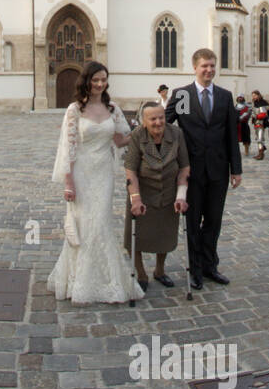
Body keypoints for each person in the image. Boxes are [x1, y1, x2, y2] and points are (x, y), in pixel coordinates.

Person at [50, 61, 137, 304]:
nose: (100, 84)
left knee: (101, 223)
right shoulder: (74, 109)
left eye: (103, 79)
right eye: (95, 79)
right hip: (81, 172)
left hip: (104, 173)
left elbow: (120, 140)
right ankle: (79, 280)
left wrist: (143, 132)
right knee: (84, 226)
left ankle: (106, 280)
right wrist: (68, 182)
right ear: (86, 81)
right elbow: (69, 147)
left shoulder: (113, 108)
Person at [170, 49, 242, 286]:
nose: (209, 70)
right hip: (191, 172)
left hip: (218, 171)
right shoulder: (183, 96)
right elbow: (167, 126)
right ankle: (195, 270)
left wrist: (236, 169)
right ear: (195, 68)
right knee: (192, 223)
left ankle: (211, 266)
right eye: (204, 66)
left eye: (212, 66)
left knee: (213, 222)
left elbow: (232, 134)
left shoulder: (224, 96)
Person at [123, 99, 189, 291]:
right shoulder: (137, 135)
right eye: (153, 119)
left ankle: (160, 271)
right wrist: (135, 198)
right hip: (142, 191)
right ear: (144, 121)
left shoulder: (176, 134)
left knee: (164, 234)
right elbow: (130, 170)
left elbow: (184, 166)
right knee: (134, 237)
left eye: (161, 117)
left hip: (169, 191)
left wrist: (181, 195)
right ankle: (141, 273)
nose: (158, 122)